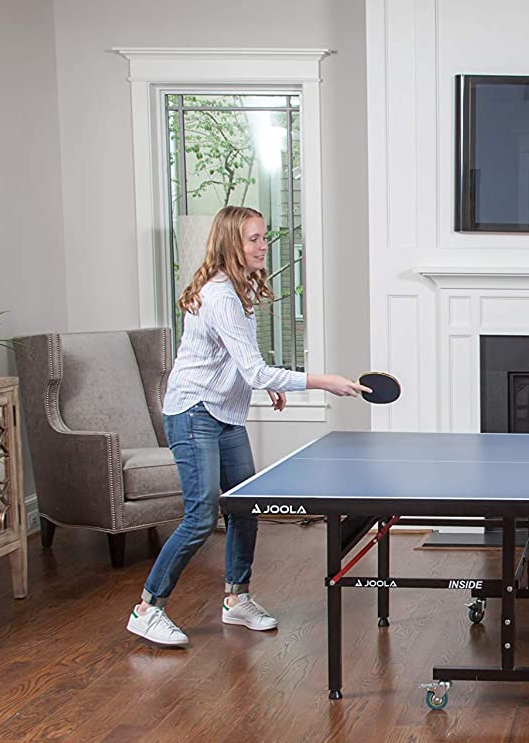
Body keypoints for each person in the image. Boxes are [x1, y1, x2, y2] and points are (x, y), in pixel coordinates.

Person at [127, 205, 368, 647]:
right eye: (254, 239)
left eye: (263, 237)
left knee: (246, 506)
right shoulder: (221, 298)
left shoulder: (238, 292)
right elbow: (254, 371)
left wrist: (265, 384)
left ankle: (236, 598)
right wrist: (323, 381)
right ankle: (147, 608)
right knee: (201, 517)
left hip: (223, 412)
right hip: (194, 414)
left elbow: (237, 362)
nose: (263, 246)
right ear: (231, 245)